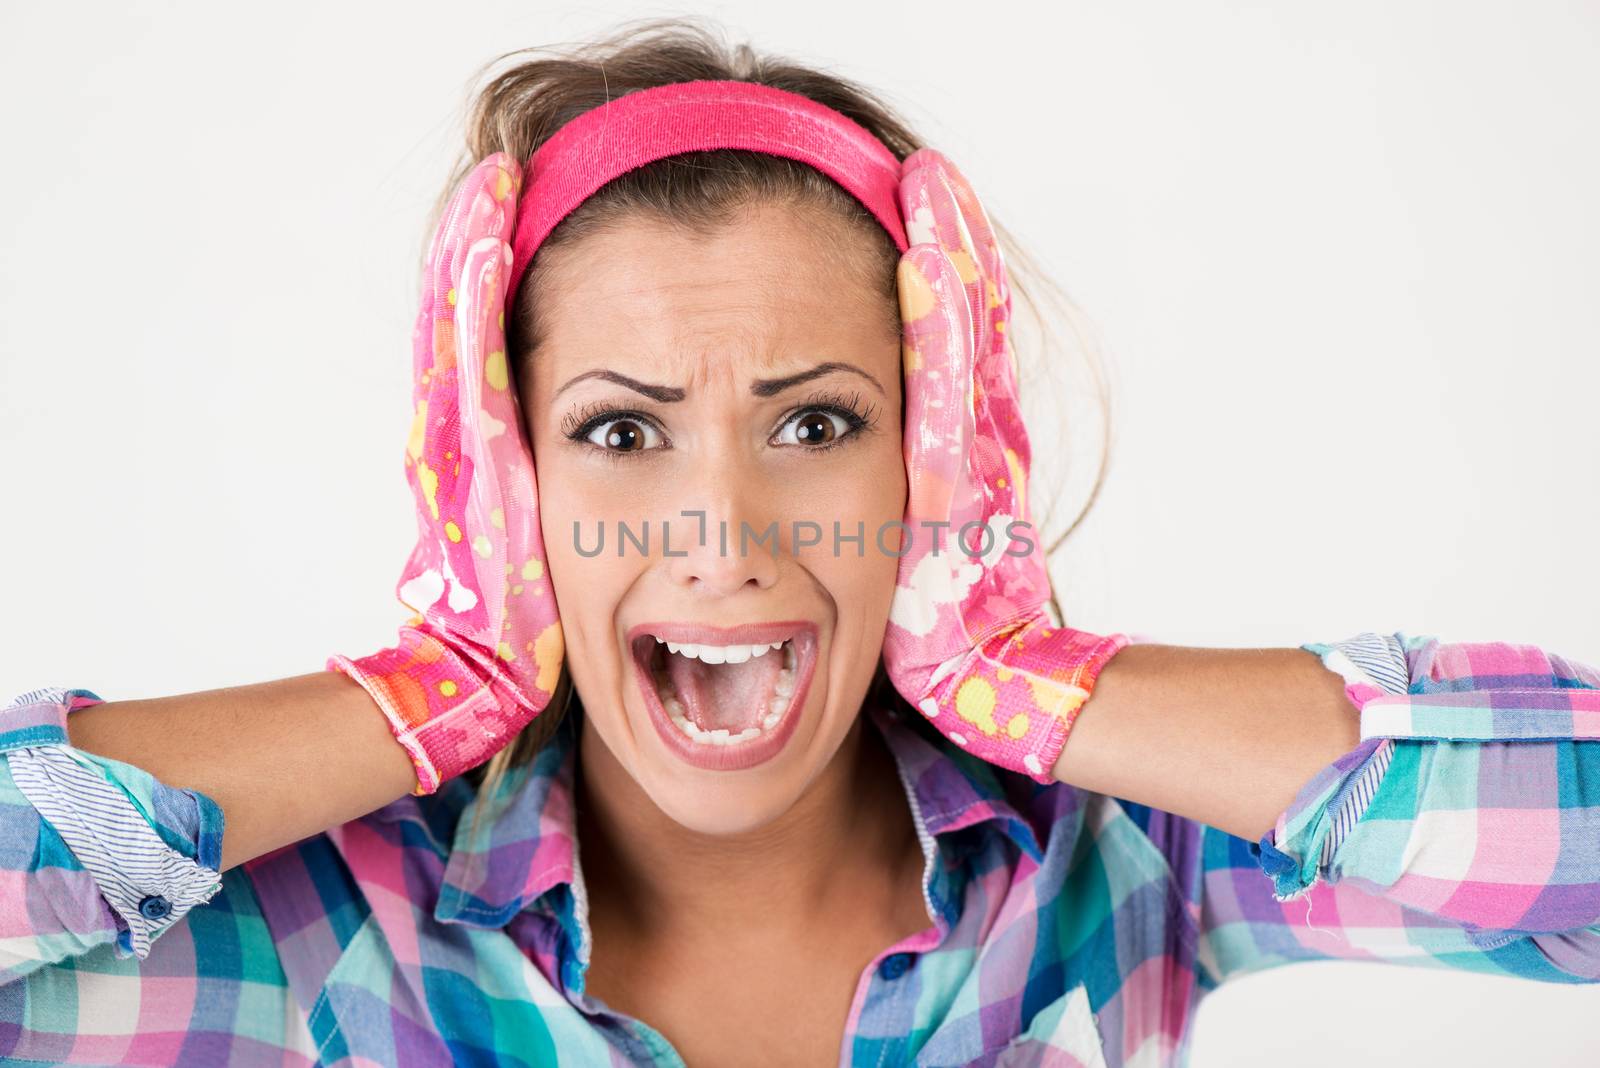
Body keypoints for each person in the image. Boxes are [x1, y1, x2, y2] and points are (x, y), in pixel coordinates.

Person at [2, 20, 1596, 1068]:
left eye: (819, 423)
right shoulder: (323, 923)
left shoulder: (1127, 862)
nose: (726, 534)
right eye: (620, 434)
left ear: (940, 448)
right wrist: (433, 686)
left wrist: (1019, 673)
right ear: (498, 476)